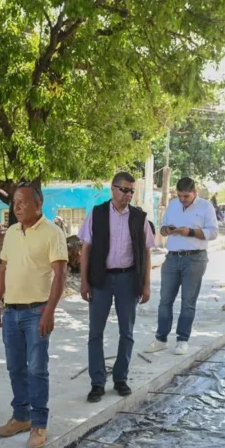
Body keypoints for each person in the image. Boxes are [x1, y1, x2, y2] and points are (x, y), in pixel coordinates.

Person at [0, 183, 67, 448]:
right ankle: (21, 417)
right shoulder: (11, 232)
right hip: (11, 312)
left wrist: (49, 311)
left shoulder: (52, 233)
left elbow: (60, 275)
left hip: (37, 312)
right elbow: (4, 269)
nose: (17, 207)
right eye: (14, 203)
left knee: (37, 369)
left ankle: (39, 424)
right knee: (15, 368)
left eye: (23, 202)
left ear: (38, 205)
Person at [79, 172, 154, 402]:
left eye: (131, 191)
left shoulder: (139, 218)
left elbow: (148, 252)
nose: (128, 195)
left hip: (128, 280)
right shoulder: (97, 214)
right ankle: (97, 383)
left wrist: (146, 284)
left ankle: (120, 378)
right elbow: (86, 249)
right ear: (112, 189)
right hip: (101, 279)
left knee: (127, 332)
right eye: (124, 190)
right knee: (95, 333)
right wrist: (84, 281)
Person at [146, 177, 218, 356]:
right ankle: (161, 339)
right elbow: (162, 228)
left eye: (186, 196)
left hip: (195, 259)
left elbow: (214, 232)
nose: (183, 199)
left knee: (188, 302)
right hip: (171, 258)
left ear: (195, 192)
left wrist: (190, 232)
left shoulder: (205, 207)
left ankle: (182, 340)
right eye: (180, 196)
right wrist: (167, 230)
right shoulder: (172, 205)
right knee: (165, 301)